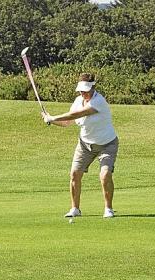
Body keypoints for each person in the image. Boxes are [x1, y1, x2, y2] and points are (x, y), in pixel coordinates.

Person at [41, 73, 119, 218]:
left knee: (105, 174)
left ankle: (108, 209)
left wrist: (53, 117)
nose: (83, 93)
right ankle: (75, 209)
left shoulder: (98, 102)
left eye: (86, 90)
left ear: (93, 88)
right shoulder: (78, 100)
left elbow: (75, 115)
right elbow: (66, 122)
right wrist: (51, 120)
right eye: (81, 90)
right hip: (85, 145)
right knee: (75, 174)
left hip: (107, 144)